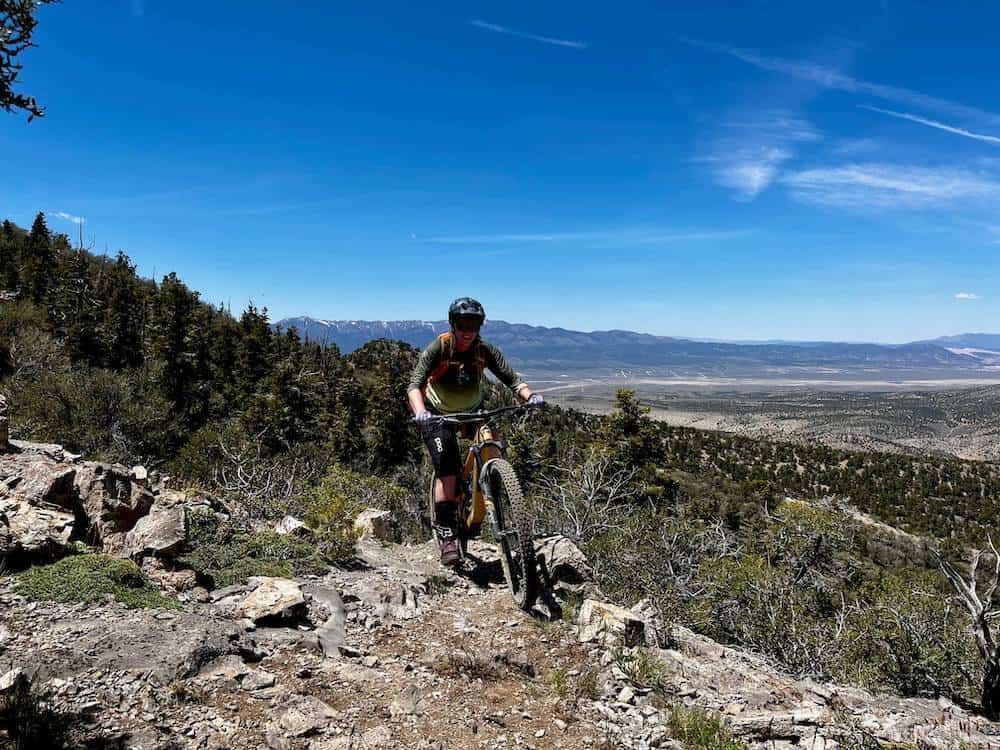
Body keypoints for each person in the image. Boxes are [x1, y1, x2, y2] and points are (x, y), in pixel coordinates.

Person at [407, 297, 543, 566]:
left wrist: (530, 396)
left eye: (474, 324)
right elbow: (415, 385)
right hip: (437, 414)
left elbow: (511, 379)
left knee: (493, 446)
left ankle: (489, 494)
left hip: (473, 411)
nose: (468, 331)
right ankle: (447, 537)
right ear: (453, 324)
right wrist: (420, 411)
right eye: (463, 324)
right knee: (447, 474)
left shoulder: (484, 351)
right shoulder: (440, 347)